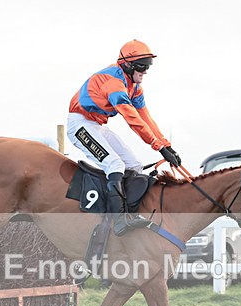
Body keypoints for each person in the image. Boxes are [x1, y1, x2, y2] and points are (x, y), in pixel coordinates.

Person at [67, 39, 181, 236]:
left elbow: (146, 118)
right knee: (115, 165)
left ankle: (131, 214)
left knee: (134, 165)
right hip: (79, 124)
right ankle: (118, 221)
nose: (145, 71)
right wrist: (157, 147)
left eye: (148, 66)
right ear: (127, 64)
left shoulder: (135, 87)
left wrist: (166, 145)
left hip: (96, 125)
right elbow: (132, 118)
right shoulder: (114, 83)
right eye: (142, 66)